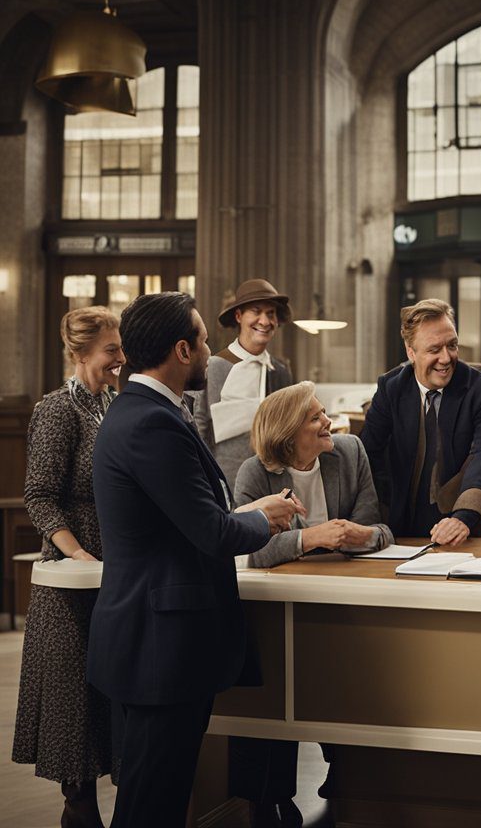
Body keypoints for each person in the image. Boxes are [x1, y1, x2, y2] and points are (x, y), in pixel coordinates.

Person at [88, 292, 302, 827]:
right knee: (151, 805)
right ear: (182, 350)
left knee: (152, 797)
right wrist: (265, 519)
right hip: (161, 644)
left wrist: (245, 510)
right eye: (204, 339)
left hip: (154, 639)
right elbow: (210, 531)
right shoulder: (152, 422)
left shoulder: (142, 410)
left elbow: (184, 516)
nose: (210, 350)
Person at [229, 381, 391, 825]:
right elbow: (252, 551)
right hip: (277, 609)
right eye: (316, 417)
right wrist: (309, 538)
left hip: (342, 600)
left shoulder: (350, 452)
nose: (328, 423)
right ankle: (270, 800)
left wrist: (364, 537)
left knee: (347, 685)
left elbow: (378, 530)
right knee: (275, 697)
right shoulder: (254, 474)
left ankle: (346, 780)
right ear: (288, 432)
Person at [12, 307, 124, 828]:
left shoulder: (114, 405)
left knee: (111, 697)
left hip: (113, 571)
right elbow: (38, 496)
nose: (120, 359)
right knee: (74, 704)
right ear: (80, 354)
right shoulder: (56, 410)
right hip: (71, 577)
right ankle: (78, 811)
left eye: (121, 348)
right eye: (110, 351)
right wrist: (78, 553)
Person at [359, 298, 481, 543]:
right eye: (434, 349)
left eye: (452, 345)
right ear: (410, 351)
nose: (447, 358)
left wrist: (463, 517)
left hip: (466, 527)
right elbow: (367, 454)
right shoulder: (390, 388)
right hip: (399, 528)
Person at [191, 278, 295, 486]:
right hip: (227, 481)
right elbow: (200, 426)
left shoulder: (281, 372)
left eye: (270, 313)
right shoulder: (216, 365)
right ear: (238, 316)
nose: (264, 321)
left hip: (272, 483)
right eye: (256, 311)